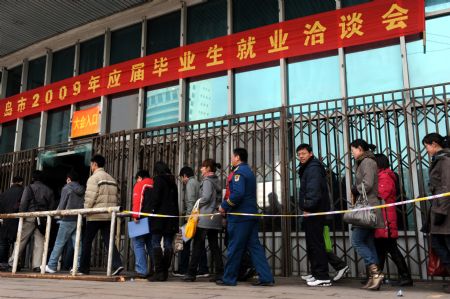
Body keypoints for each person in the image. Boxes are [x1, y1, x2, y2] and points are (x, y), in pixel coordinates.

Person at [217, 148, 274, 286]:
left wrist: (224, 206)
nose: (231, 158)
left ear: (237, 157)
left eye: (232, 156)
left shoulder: (239, 172)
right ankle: (266, 278)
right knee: (255, 248)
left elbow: (237, 194)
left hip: (240, 217)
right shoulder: (248, 171)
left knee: (235, 247)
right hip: (250, 215)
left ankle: (229, 278)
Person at [78, 154, 123, 275]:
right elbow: (117, 198)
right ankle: (117, 264)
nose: (91, 167)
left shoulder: (94, 178)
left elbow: (90, 197)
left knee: (87, 241)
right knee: (109, 241)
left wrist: (86, 211)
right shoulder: (111, 179)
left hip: (95, 215)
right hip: (108, 216)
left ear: (95, 164)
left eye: (91, 164)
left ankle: (83, 268)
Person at [350, 139, 384, 291]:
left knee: (357, 240)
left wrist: (355, 189)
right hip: (367, 207)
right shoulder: (365, 162)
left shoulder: (367, 162)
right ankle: (374, 278)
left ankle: (375, 274)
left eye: (353, 150)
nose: (352, 153)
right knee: (369, 242)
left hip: (368, 208)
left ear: (360, 149)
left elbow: (368, 184)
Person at [373, 154, 412, 286]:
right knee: (381, 249)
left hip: (386, 220)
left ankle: (406, 276)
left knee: (391, 249)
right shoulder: (382, 176)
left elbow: (381, 194)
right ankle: (377, 276)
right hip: (382, 219)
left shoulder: (385, 176)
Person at [296, 144, 331, 286]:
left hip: (315, 211)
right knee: (312, 243)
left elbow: (313, 190)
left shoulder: (313, 168)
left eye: (303, 153)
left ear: (311, 153)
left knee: (316, 243)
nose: (301, 156)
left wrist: (308, 208)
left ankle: (323, 277)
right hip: (312, 211)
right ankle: (316, 273)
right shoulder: (308, 168)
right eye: (299, 154)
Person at [183, 159, 224, 282]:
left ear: (207, 168)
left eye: (202, 167)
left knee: (197, 246)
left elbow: (205, 197)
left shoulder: (206, 181)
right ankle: (220, 274)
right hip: (215, 218)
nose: (200, 169)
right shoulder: (216, 181)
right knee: (214, 246)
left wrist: (197, 203)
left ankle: (191, 273)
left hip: (205, 218)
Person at [8, 170, 55, 272]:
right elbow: (52, 207)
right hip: (42, 219)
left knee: (21, 240)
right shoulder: (49, 190)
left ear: (33, 178)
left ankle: (13, 263)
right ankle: (37, 265)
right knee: (40, 242)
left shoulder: (29, 188)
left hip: (29, 217)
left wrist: (22, 215)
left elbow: (24, 203)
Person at [422, 133, 450, 293]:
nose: (427, 150)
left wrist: (440, 211)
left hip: (444, 211)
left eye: (427, 146)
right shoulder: (439, 160)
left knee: (444, 244)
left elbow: (447, 187)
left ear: (433, 144)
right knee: (438, 244)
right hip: (439, 208)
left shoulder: (445, 160)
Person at [143, 161, 179, 281]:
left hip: (159, 218)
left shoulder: (158, 180)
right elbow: (175, 202)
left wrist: (150, 211)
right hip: (171, 218)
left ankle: (159, 272)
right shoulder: (173, 182)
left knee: (155, 242)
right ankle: (165, 272)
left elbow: (156, 198)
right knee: (168, 244)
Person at [45, 170, 85, 273]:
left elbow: (62, 205)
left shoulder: (66, 188)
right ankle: (77, 267)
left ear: (68, 179)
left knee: (59, 243)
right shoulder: (82, 189)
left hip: (67, 219)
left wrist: (58, 215)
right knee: (78, 244)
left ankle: (51, 265)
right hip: (78, 219)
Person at [174, 166, 209, 277]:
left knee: (184, 242)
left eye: (182, 178)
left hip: (191, 217)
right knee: (199, 243)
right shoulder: (198, 182)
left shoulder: (190, 183)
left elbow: (190, 201)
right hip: (198, 217)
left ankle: (183, 268)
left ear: (185, 176)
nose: (182, 181)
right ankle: (203, 269)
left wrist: (188, 216)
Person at [131, 170, 153, 278]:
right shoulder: (154, 184)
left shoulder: (140, 184)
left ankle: (142, 270)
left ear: (139, 177)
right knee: (151, 244)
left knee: (138, 243)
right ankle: (155, 269)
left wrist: (135, 215)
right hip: (153, 219)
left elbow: (137, 200)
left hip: (142, 219)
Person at [0, 176, 24, 270]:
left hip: (5, 220)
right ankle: (15, 264)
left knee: (3, 243)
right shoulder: (23, 191)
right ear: (21, 182)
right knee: (17, 243)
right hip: (17, 220)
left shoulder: (5, 193)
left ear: (12, 182)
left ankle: (2, 263)